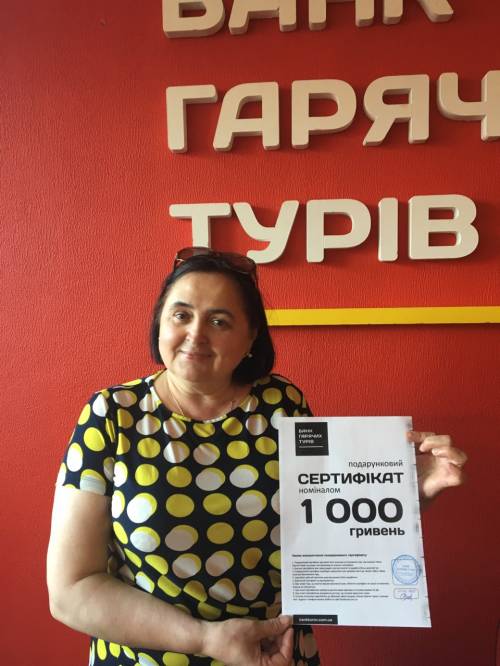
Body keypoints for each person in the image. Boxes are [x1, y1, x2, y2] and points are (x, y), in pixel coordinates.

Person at [47, 247, 467, 666]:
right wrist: (205, 639)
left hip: (274, 656)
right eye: (181, 314)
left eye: (219, 321)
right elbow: (71, 590)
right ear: (160, 322)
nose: (196, 334)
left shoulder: (282, 405)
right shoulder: (112, 414)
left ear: (250, 338)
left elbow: (330, 531)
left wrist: (410, 490)